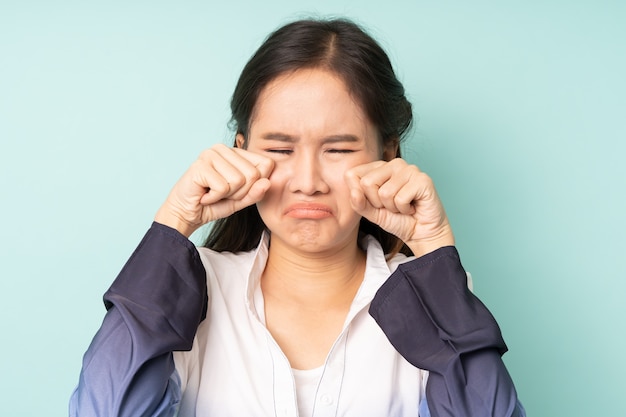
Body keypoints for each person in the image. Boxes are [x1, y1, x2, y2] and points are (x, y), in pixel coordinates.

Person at [70, 18, 525, 417]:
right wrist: (174, 222)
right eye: (281, 150)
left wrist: (433, 246)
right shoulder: (192, 289)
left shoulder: (433, 297)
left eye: (339, 149)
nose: (308, 181)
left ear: (387, 155)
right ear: (241, 152)